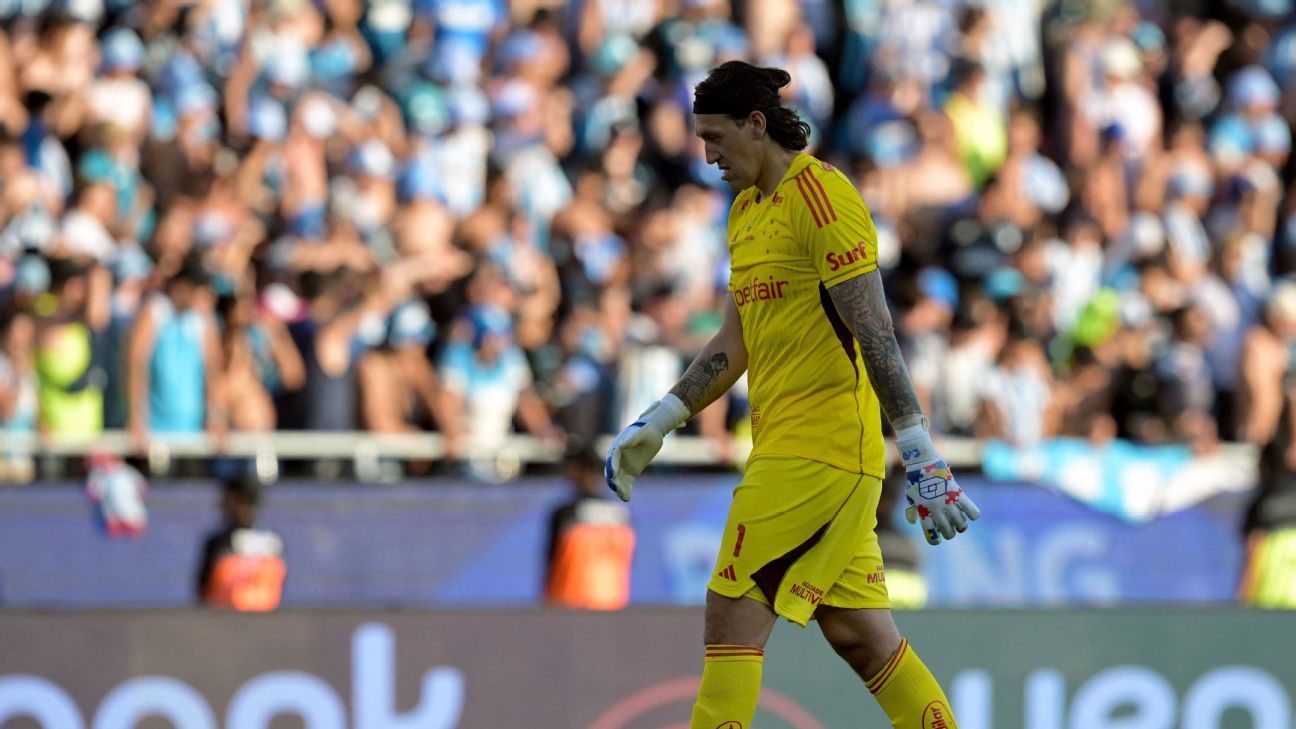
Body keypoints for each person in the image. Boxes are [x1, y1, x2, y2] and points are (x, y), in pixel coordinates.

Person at [605, 61, 978, 729]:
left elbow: (875, 332)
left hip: (823, 450)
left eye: (716, 138)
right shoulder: (745, 213)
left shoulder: (824, 199)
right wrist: (662, 418)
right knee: (865, 640)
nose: (708, 156)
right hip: (793, 451)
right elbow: (732, 342)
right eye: (699, 140)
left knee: (731, 611)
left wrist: (920, 454)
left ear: (756, 124)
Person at [544, 445, 635, 610]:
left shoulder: (565, 514)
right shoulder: (623, 516)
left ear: (576, 469)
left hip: (568, 604)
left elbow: (550, 563)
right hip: (611, 605)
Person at [196, 475, 287, 612]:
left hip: (255, 623)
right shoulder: (275, 541)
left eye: (228, 498)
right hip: (222, 623)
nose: (221, 504)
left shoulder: (219, 544)